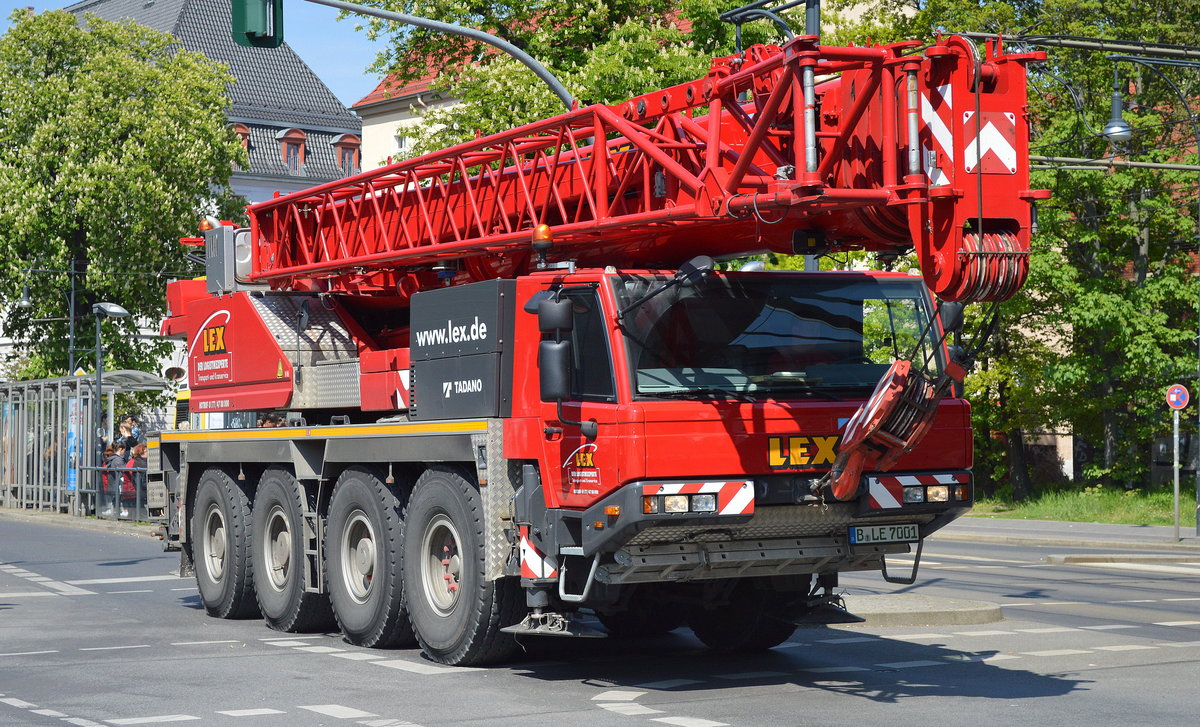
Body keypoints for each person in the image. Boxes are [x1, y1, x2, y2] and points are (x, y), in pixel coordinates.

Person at [102, 442, 127, 516]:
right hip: (118, 481)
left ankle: (114, 510)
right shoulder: (118, 460)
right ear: (120, 449)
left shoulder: (111, 459)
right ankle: (120, 511)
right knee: (119, 496)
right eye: (124, 451)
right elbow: (123, 471)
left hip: (112, 481)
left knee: (114, 497)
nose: (124, 453)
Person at [124, 443, 148, 519]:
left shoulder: (133, 461)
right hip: (133, 490)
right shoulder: (139, 463)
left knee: (133, 513)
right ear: (143, 451)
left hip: (130, 490)